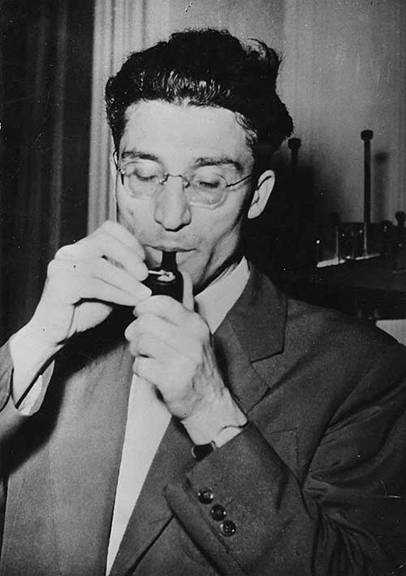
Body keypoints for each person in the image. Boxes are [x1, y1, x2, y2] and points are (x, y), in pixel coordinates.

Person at [0, 28, 406, 576]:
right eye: (144, 175)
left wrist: (210, 411)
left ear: (257, 195)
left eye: (208, 183)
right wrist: (35, 343)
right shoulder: (61, 340)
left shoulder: (366, 372)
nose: (169, 216)